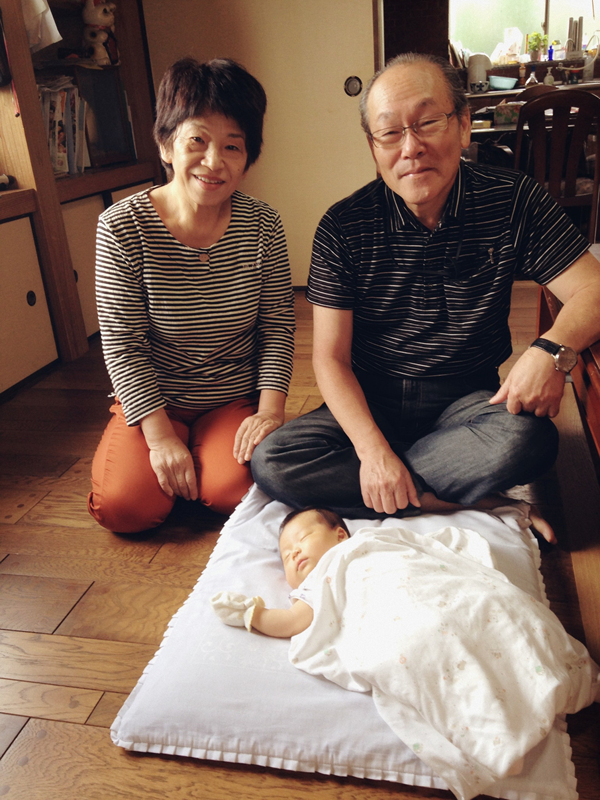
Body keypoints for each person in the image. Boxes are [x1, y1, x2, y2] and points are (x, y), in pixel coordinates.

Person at [251, 52, 600, 543]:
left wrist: (550, 350)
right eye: (390, 132)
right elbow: (330, 359)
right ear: (373, 147)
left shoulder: (514, 199)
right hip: (372, 397)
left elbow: (593, 288)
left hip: (466, 399)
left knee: (531, 440)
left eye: (427, 122)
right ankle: (456, 496)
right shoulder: (342, 226)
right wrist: (372, 451)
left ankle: (399, 489)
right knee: (273, 460)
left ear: (463, 125)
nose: (411, 147)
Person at [211, 506, 599, 800]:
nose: (294, 552)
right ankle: (492, 731)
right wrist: (253, 614)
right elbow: (295, 621)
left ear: (340, 534)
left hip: (429, 586)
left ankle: (550, 668)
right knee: (418, 647)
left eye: (303, 538)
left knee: (489, 605)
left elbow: (425, 551)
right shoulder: (315, 585)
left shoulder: (369, 542)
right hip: (398, 618)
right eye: (285, 555)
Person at [88, 57, 295, 533]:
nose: (214, 161)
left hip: (231, 397)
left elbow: (277, 327)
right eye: (196, 141)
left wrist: (269, 412)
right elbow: (123, 344)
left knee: (235, 493)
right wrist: (160, 438)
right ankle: (172, 462)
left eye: (232, 146)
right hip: (154, 399)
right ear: (166, 144)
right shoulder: (121, 227)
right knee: (125, 508)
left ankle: (198, 468)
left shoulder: (263, 224)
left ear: (249, 156)